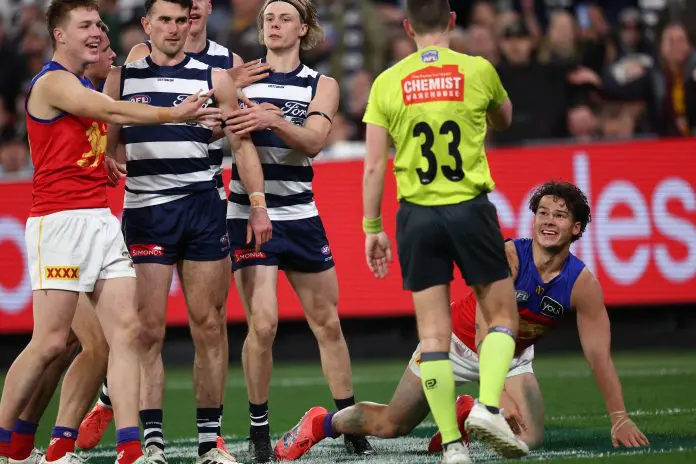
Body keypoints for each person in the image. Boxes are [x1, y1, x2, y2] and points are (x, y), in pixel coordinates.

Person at [277, 0, 526, 462]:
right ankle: (488, 407)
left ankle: (453, 444)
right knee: (502, 316)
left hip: (415, 215)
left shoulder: (388, 82)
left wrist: (372, 227)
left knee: (433, 337)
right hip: (469, 207)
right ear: (453, 21)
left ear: (408, 27)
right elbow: (505, 118)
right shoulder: (477, 69)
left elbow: (373, 165)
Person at [274, 181, 651, 461]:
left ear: (577, 229)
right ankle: (320, 423)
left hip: (512, 358)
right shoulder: (508, 257)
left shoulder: (583, 285)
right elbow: (489, 328)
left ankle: (464, 412)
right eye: (543, 213)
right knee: (392, 425)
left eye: (560, 215)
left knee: (528, 439)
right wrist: (496, 397)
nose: (548, 221)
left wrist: (619, 418)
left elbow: (599, 355)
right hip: (453, 343)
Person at [0, 0, 220, 463]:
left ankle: (130, 448)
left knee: (128, 333)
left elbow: (83, 134)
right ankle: (5, 443)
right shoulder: (55, 81)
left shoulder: (82, 80)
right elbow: (107, 109)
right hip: (60, 224)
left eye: (99, 23)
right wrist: (172, 114)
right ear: (60, 35)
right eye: (84, 25)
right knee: (50, 343)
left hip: (101, 221)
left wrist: (103, 159)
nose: (97, 32)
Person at [78, 0, 272, 453]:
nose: (172, 28)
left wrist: (258, 204)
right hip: (147, 211)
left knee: (210, 324)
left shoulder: (215, 77)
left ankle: (210, 444)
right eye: (163, 20)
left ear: (191, 24)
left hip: (203, 208)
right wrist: (110, 159)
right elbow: (111, 143)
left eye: (180, 20)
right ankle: (153, 444)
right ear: (146, 25)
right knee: (148, 331)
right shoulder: (121, 77)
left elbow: (242, 146)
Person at [221, 0, 373, 461]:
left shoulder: (320, 84)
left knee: (327, 323)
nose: (273, 25)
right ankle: (259, 429)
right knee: (262, 325)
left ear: (303, 28)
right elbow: (232, 137)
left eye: (285, 18)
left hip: (301, 215)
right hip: (249, 214)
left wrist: (273, 119)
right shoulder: (241, 78)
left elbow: (314, 142)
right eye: (268, 18)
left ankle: (348, 422)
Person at [7, 23, 117, 464]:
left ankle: (19, 443)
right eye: (105, 48)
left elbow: (80, 146)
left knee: (67, 343)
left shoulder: (84, 91)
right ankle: (53, 444)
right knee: (82, 343)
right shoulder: (67, 86)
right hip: (61, 229)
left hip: (80, 227)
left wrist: (103, 159)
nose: (111, 57)